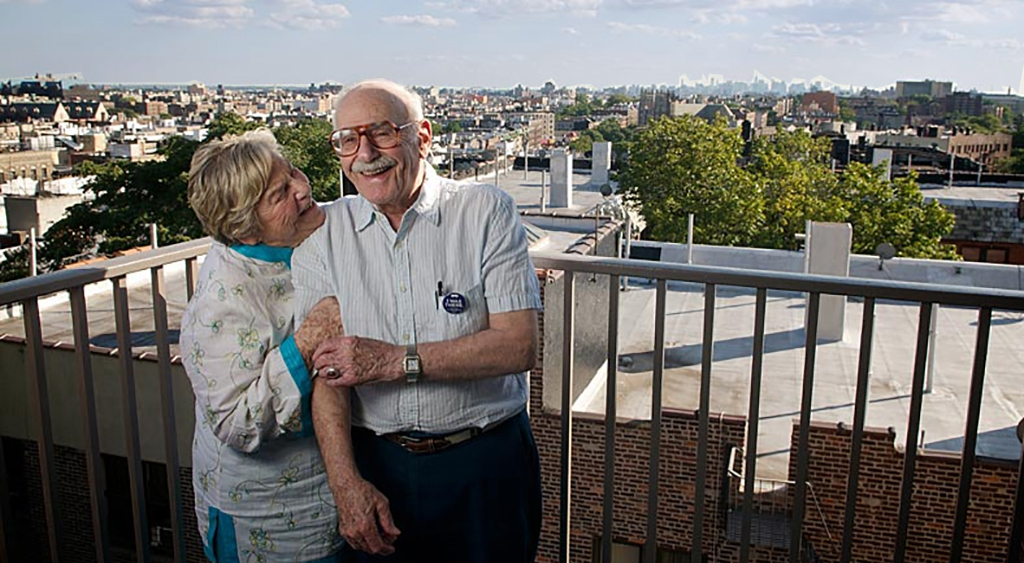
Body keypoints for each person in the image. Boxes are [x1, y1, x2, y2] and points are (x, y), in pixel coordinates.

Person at [291, 79, 542, 563]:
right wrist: (346, 487)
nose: (365, 153)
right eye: (348, 139)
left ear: (423, 137)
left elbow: (517, 346)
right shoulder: (326, 232)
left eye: (382, 132)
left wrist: (392, 362)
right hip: (377, 465)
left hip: (484, 463)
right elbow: (329, 374)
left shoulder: (484, 211)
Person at [180, 130, 345, 563]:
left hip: (327, 495)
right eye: (281, 192)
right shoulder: (221, 299)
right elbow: (237, 421)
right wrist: (307, 341)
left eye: (292, 172)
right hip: (265, 519)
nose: (303, 188)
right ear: (245, 228)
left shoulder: (298, 241)